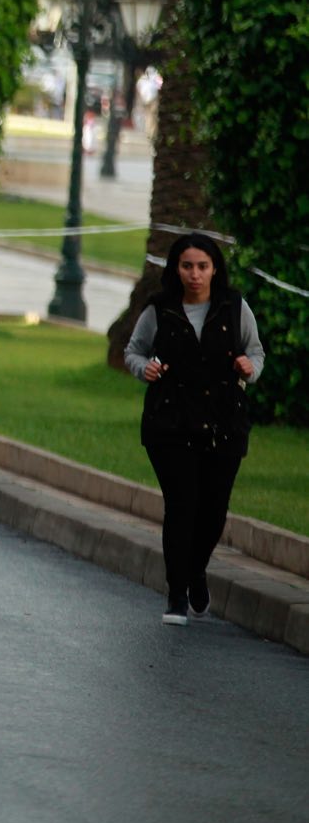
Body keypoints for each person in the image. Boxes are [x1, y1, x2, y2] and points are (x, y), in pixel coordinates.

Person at [123, 233, 264, 625]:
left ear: (214, 268)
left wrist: (250, 369)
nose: (195, 274)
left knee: (213, 510)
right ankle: (176, 594)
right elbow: (133, 351)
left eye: (202, 266)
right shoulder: (159, 309)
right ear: (176, 269)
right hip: (170, 423)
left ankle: (196, 569)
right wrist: (144, 368)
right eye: (187, 266)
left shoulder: (235, 308)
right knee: (182, 505)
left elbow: (256, 352)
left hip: (224, 425)